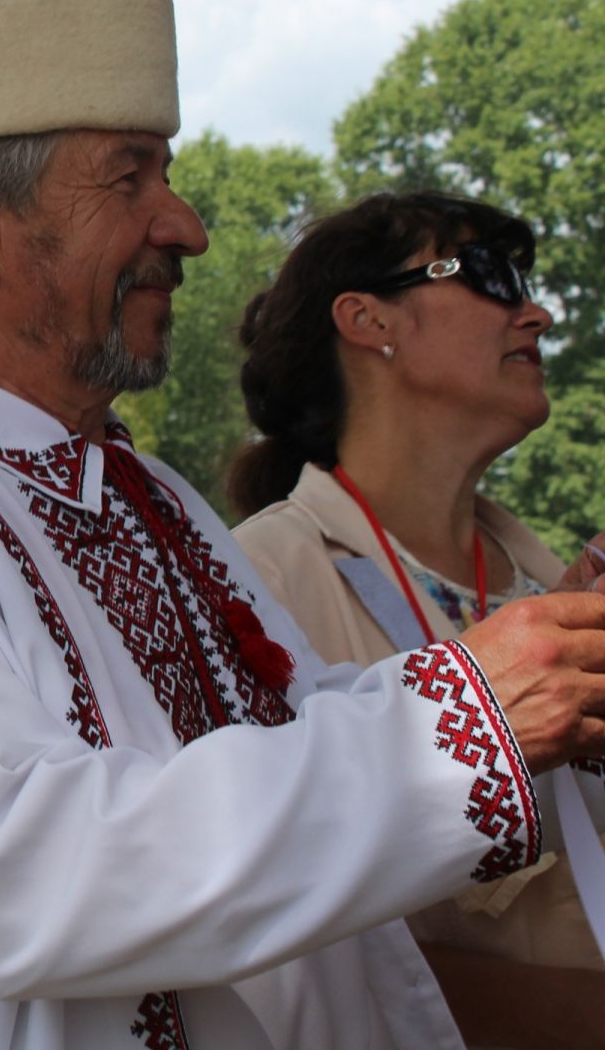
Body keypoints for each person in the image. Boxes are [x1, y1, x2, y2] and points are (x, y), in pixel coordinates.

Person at [0, 0, 605, 1050]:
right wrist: (464, 723)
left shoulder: (149, 497)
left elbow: (294, 738)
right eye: (129, 175)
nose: (184, 223)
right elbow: (16, 875)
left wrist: (541, 671)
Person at [229, 191, 605, 1048]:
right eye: (492, 277)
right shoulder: (262, 587)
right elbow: (297, 957)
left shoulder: (550, 580)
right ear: (367, 321)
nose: (536, 312)